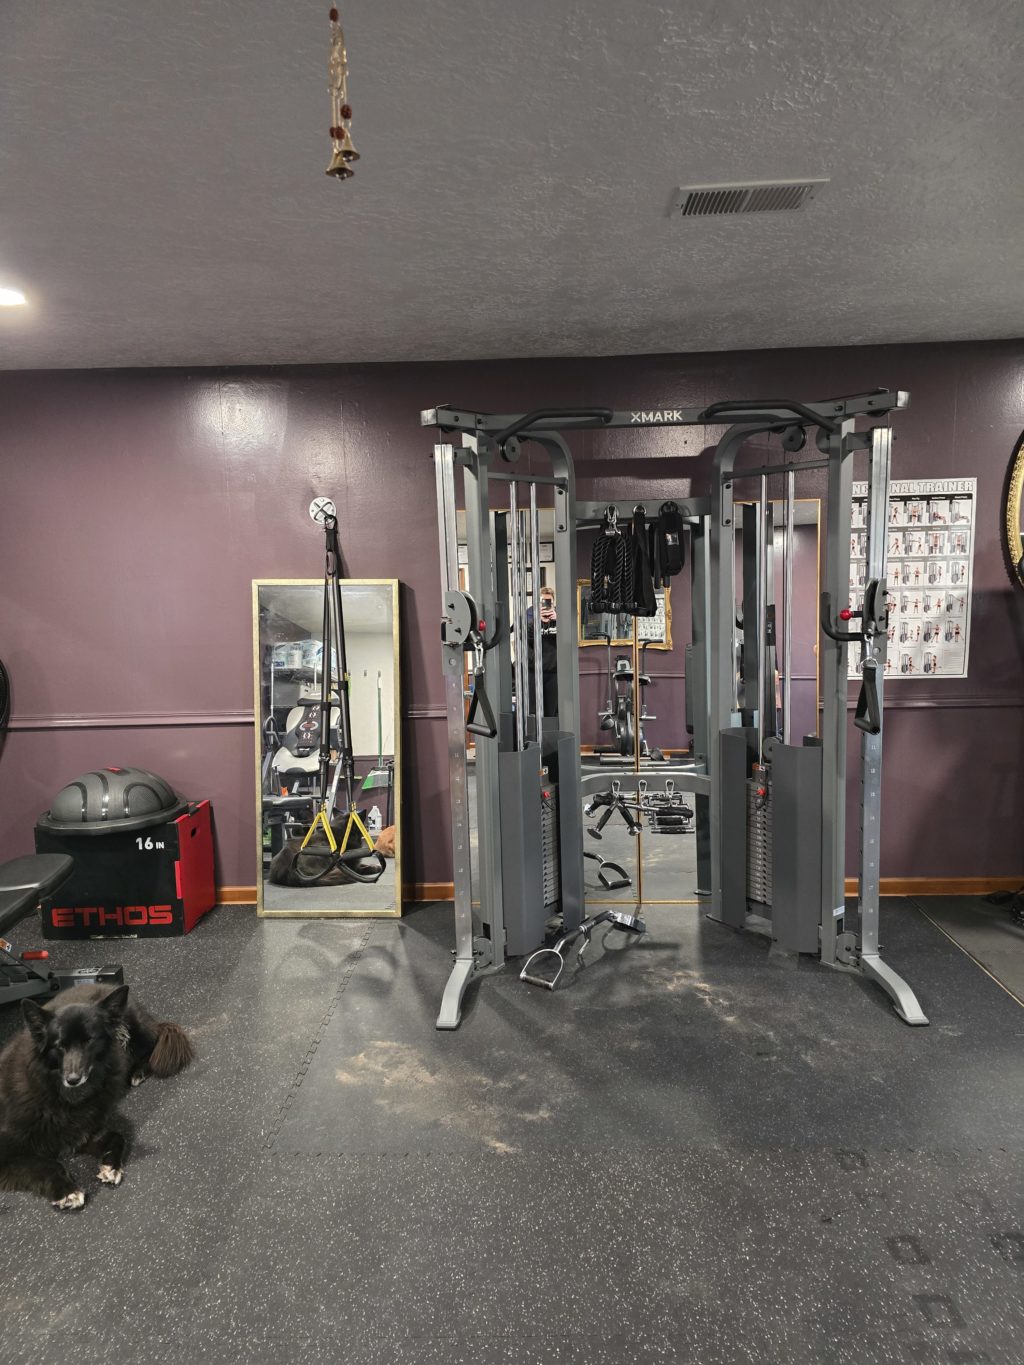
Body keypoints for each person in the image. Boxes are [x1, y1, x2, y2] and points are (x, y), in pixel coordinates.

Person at [526, 586, 559, 718]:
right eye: (543, 602)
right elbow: (526, 640)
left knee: (551, 712)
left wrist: (558, 621)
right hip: (534, 672)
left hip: (553, 672)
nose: (546, 606)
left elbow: (567, 641)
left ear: (553, 604)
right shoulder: (531, 620)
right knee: (534, 712)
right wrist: (537, 621)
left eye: (549, 602)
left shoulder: (560, 621)